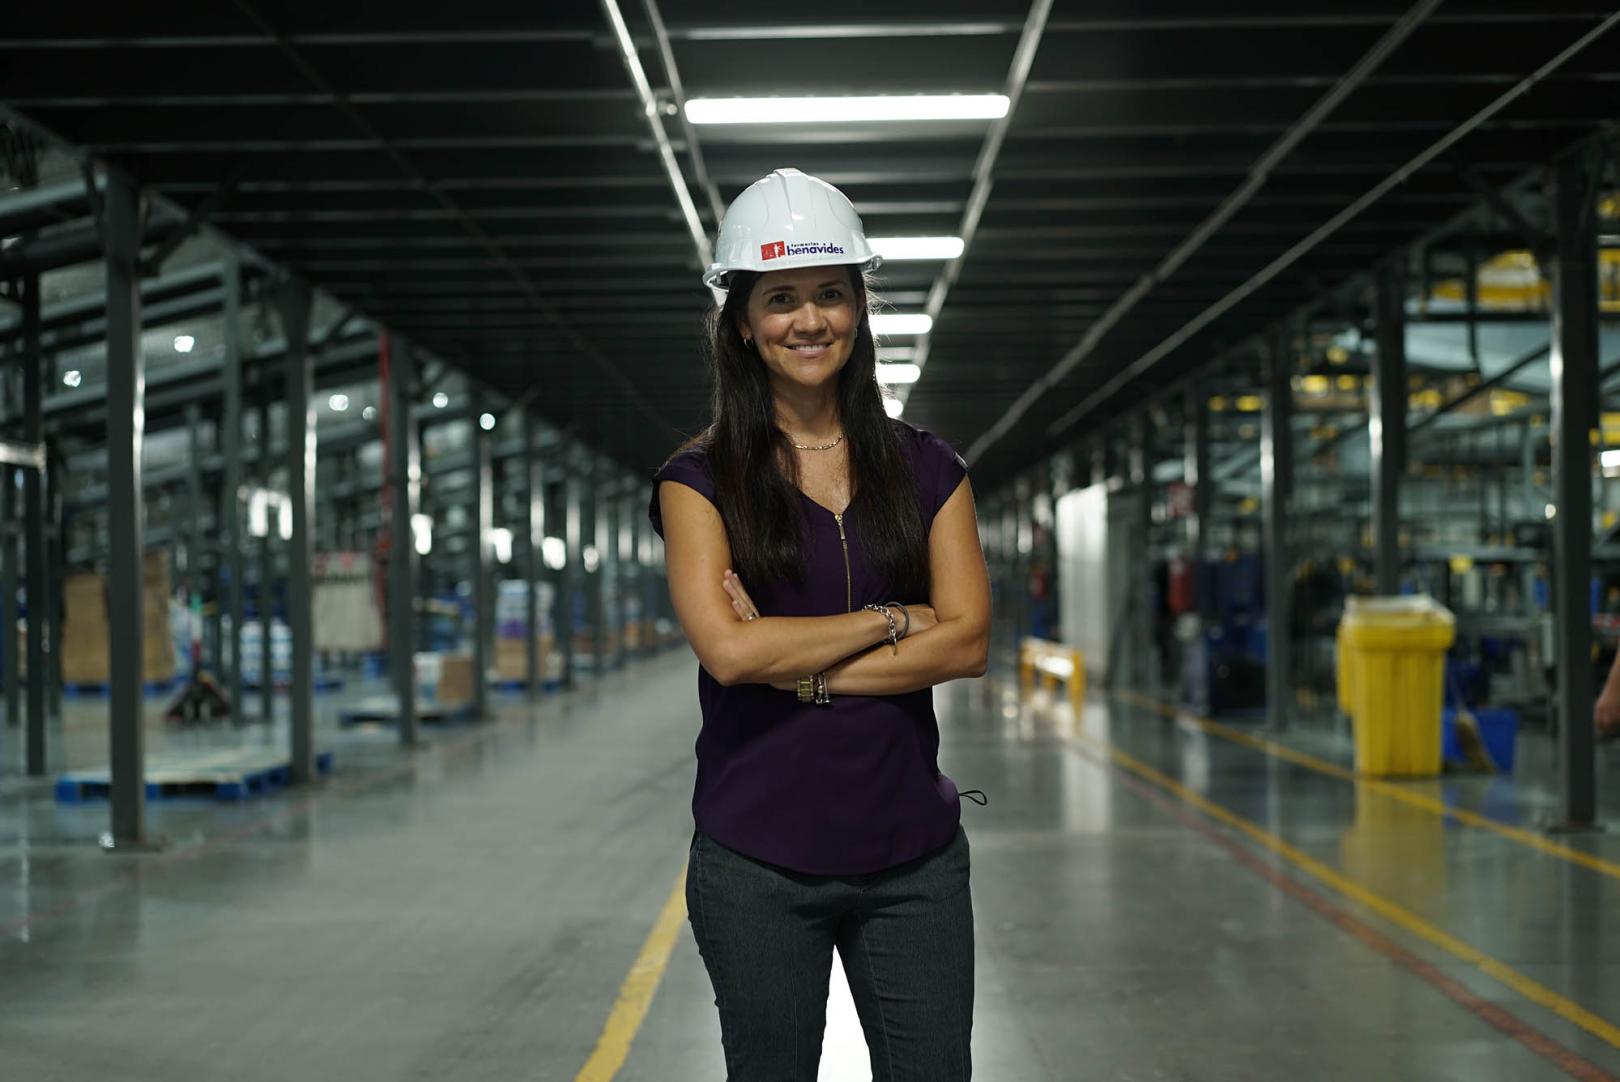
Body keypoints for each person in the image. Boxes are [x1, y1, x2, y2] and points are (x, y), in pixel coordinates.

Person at [647, 167, 991, 1081]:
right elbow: (728, 651)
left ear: (859, 309)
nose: (809, 320)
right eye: (782, 298)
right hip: (757, 862)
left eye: (831, 295)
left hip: (910, 859)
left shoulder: (929, 471)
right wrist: (892, 618)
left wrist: (791, 667)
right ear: (744, 322)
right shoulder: (700, 481)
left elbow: (965, 640)